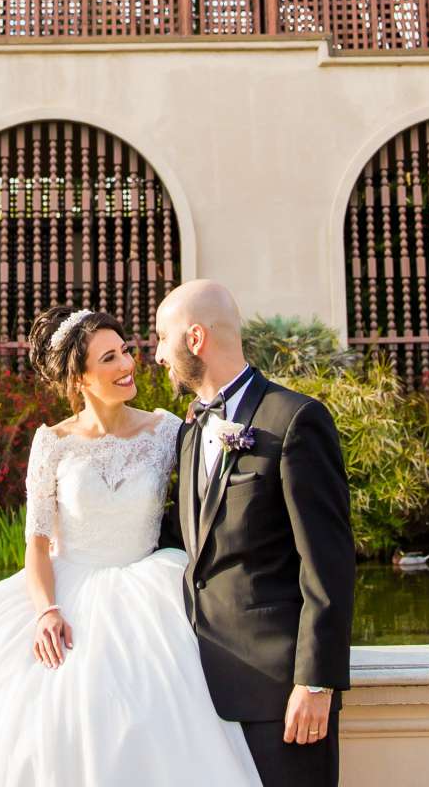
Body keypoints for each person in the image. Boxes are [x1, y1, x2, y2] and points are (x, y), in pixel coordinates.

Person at [0, 303, 264, 787]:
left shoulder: (168, 429)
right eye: (109, 358)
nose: (127, 365)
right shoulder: (52, 443)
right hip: (68, 587)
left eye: (125, 351)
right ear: (79, 378)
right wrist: (46, 610)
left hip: (150, 590)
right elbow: (38, 543)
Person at [155, 279, 355, 787]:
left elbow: (326, 563)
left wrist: (315, 682)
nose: (157, 354)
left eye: (162, 337)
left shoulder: (294, 420)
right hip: (199, 694)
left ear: (194, 339)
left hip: (279, 694)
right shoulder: (190, 430)